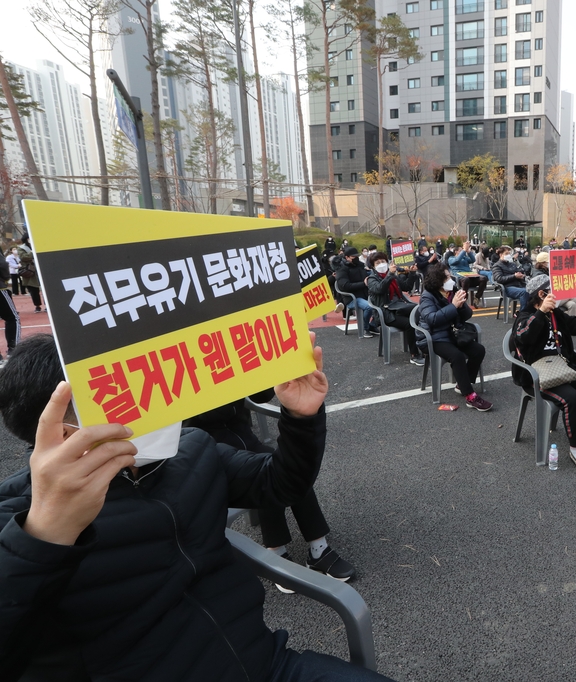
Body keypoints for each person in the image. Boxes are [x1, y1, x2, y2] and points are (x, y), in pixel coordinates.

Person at [0, 334, 395, 681]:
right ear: (58, 430)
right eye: (119, 391)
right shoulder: (17, 517)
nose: (150, 398)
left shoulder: (188, 450)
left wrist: (301, 417)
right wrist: (44, 535)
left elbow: (280, 484)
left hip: (268, 665)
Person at [184, 392, 356, 585]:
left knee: (290, 466)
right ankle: (276, 552)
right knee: (259, 475)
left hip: (246, 439)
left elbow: (260, 396)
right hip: (208, 451)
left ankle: (318, 548)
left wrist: (268, 375)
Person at [512, 275, 576, 474]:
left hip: (563, 367)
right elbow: (524, 336)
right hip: (537, 375)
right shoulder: (524, 316)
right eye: (552, 290)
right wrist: (541, 312)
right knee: (572, 399)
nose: (558, 294)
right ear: (542, 294)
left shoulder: (555, 313)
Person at [417, 264, 492, 411]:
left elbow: (466, 316)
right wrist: (453, 306)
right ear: (437, 280)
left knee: (478, 350)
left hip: (452, 333)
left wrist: (462, 305)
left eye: (449, 275)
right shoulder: (427, 296)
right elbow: (432, 319)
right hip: (434, 338)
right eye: (446, 277)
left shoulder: (452, 291)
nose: (450, 279)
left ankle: (462, 384)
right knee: (456, 356)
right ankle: (470, 396)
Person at [367, 251, 426, 366]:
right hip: (385, 312)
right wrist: (390, 275)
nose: (381, 264)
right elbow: (380, 289)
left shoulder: (393, 276)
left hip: (399, 307)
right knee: (410, 323)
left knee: (420, 312)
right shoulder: (371, 279)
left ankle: (425, 345)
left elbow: (407, 286)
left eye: (383, 261)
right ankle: (414, 355)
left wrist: (413, 273)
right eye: (377, 263)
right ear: (373, 266)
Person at [334, 246, 379, 337]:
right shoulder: (341, 269)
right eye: (354, 257)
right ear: (347, 257)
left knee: (381, 303)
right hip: (351, 298)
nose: (356, 258)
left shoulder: (360, 265)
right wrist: (364, 284)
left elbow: (365, 278)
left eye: (357, 256)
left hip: (365, 294)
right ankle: (365, 328)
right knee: (369, 307)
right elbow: (345, 286)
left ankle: (372, 325)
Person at [491, 245, 530, 310]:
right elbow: (499, 279)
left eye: (509, 254)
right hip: (507, 288)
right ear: (501, 255)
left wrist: (521, 275)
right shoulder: (497, 266)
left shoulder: (512, 264)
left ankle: (529, 313)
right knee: (524, 292)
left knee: (533, 291)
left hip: (518, 285)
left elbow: (520, 271)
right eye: (506, 254)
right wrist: (514, 276)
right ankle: (522, 314)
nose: (508, 255)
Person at [17, 236, 43, 313]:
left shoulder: (39, 244)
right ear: (26, 239)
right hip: (30, 271)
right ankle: (37, 306)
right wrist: (32, 252)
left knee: (46, 289)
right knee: (33, 289)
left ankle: (47, 305)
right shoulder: (22, 248)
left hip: (41, 269)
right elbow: (23, 257)